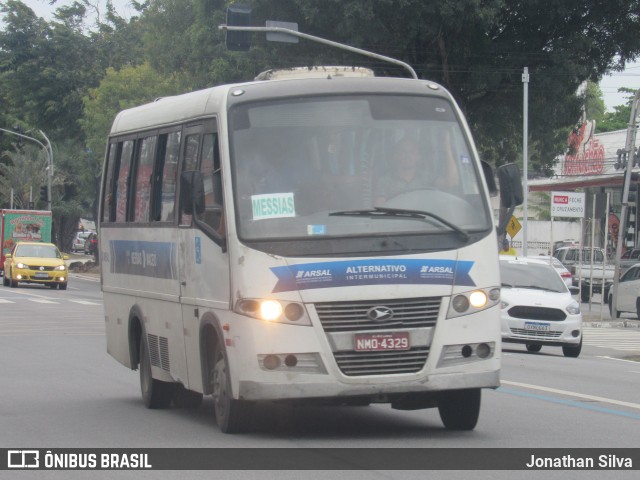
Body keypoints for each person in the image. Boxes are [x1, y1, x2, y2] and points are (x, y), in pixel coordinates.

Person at [374, 138, 427, 204]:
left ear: (418, 157)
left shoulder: (427, 178)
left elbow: (442, 187)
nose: (408, 156)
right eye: (403, 152)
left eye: (412, 152)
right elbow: (379, 207)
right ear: (395, 156)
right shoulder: (384, 181)